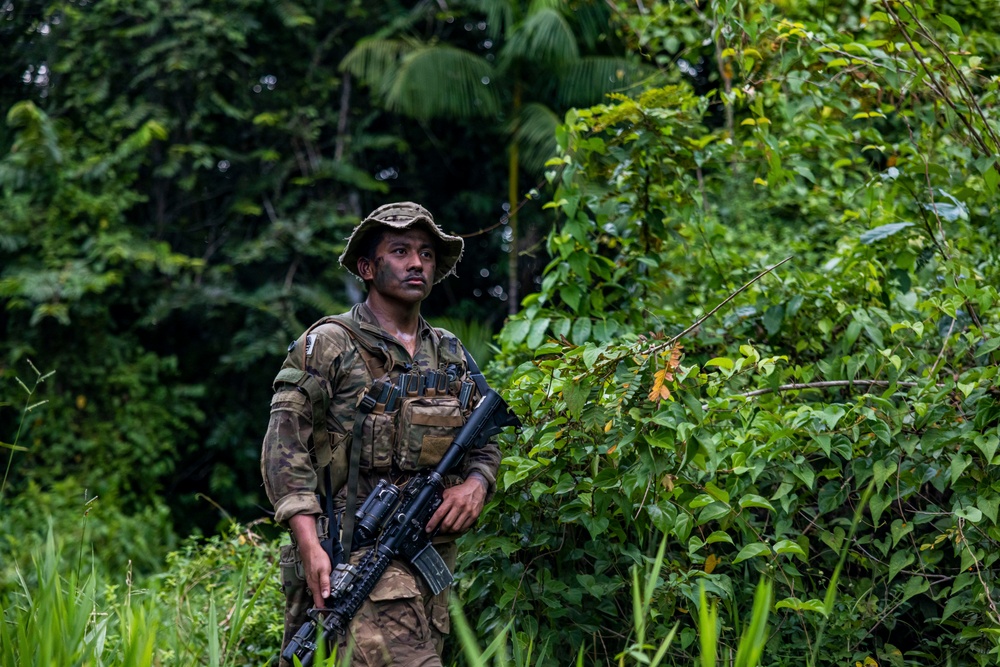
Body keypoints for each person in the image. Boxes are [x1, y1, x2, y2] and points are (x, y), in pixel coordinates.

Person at [261, 202, 501, 667]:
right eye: (400, 251)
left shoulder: (448, 352)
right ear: (368, 267)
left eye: (427, 254)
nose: (417, 263)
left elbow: (484, 437)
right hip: (350, 560)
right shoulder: (330, 343)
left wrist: (476, 485)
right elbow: (284, 448)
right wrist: (309, 544)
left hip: (428, 571)